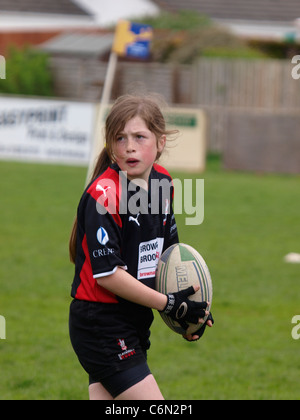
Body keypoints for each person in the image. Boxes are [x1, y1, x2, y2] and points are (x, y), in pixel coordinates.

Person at [68, 94, 213, 400]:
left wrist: (190, 311)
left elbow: (169, 256)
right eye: (119, 138)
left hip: (134, 319)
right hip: (101, 322)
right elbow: (107, 275)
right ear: (110, 145)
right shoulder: (104, 195)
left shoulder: (163, 183)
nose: (129, 146)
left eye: (139, 137)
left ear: (160, 142)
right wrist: (167, 304)